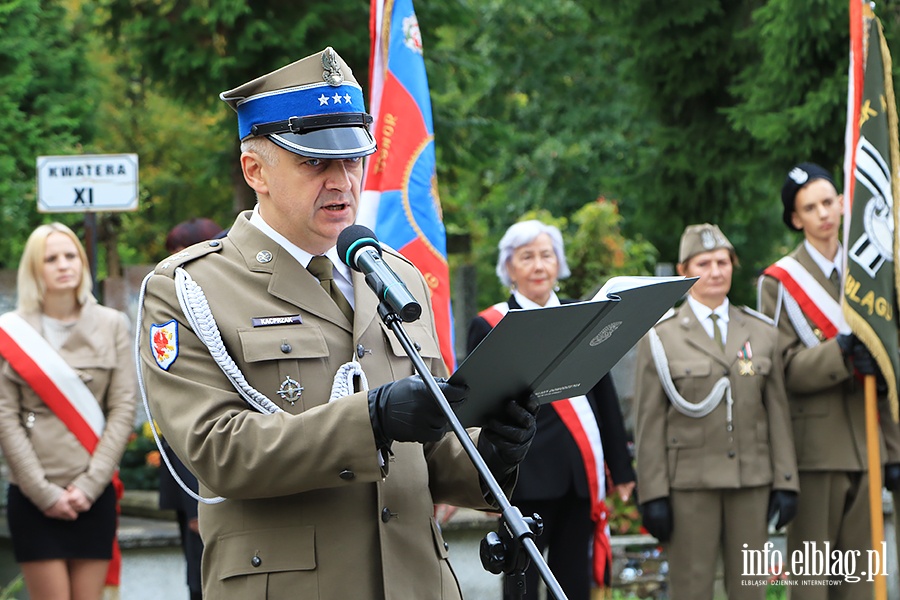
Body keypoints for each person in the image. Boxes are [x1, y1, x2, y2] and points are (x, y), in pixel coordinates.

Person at [136, 47, 538, 600]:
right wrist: (370, 418)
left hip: (418, 582)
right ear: (256, 171)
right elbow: (218, 450)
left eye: (352, 160)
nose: (342, 180)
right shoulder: (190, 288)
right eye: (314, 162)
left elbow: (428, 457)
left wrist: (490, 453)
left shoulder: (395, 276)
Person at [466, 219, 636, 600]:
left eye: (547, 255)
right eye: (527, 257)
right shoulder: (490, 323)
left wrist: (621, 470)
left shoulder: (584, 314)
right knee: (521, 583)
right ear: (509, 268)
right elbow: (484, 405)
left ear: (559, 264)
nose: (539, 265)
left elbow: (603, 397)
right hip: (525, 475)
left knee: (573, 581)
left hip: (578, 475)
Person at [633, 223, 799, 600]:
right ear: (683, 271)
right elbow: (649, 421)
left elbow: (776, 413)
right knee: (691, 589)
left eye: (722, 261)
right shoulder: (660, 336)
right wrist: (653, 494)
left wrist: (786, 480)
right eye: (703, 263)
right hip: (689, 487)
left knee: (750, 592)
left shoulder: (761, 333)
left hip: (751, 482)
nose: (715, 271)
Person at [757, 163, 900, 597]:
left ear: (842, 202)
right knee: (814, 584)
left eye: (828, 201)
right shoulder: (777, 283)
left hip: (869, 443)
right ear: (796, 219)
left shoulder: (871, 271)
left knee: (860, 584)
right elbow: (781, 372)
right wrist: (839, 353)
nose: (823, 213)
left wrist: (892, 447)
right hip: (815, 452)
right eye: (810, 207)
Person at [0, 222, 136, 600]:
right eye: (51, 258)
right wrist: (44, 493)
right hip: (33, 496)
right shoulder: (10, 331)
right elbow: (4, 417)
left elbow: (124, 406)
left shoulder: (112, 324)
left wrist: (90, 486)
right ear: (34, 269)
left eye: (71, 255)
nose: (64, 265)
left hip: (93, 494)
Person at [157, 217, 225, 600]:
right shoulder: (174, 305)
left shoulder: (218, 302)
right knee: (198, 582)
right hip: (193, 474)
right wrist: (192, 506)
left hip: (221, 481)